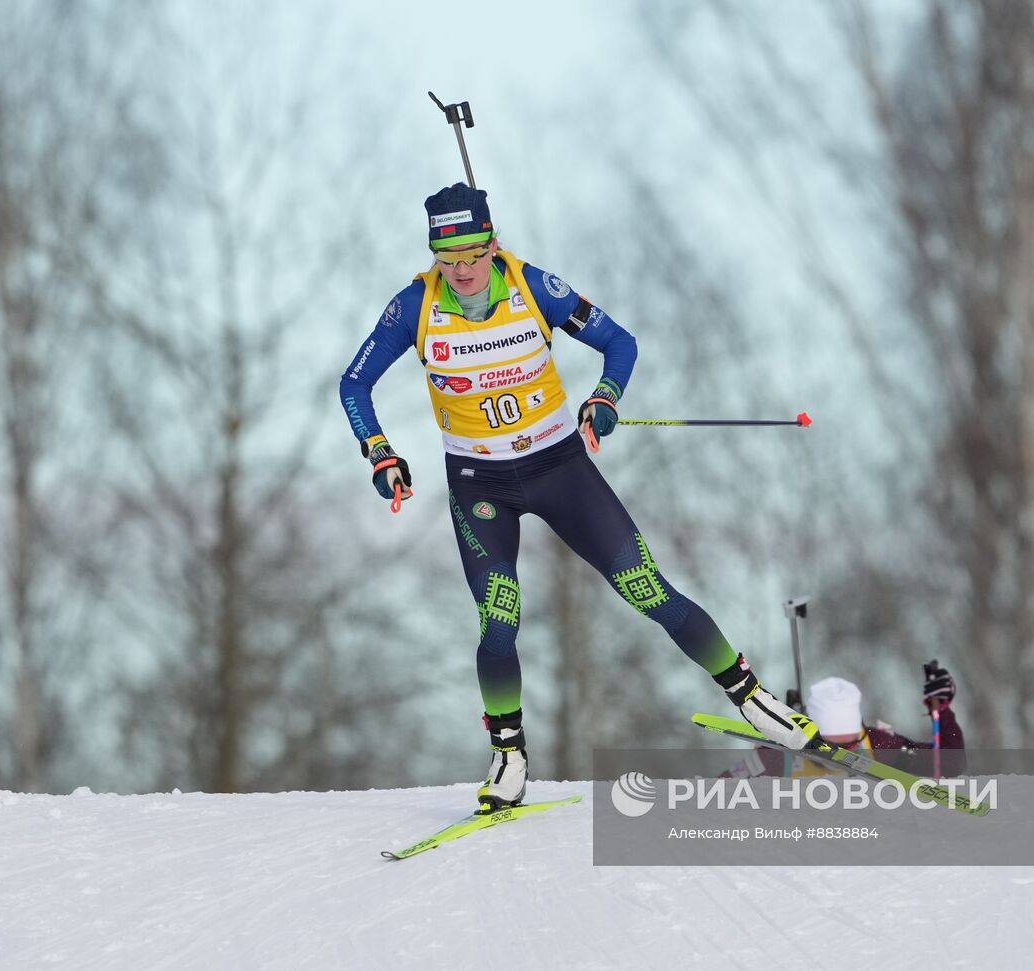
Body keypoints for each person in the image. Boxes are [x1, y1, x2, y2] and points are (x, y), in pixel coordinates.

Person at [339, 183, 821, 812]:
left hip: (558, 466)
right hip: (480, 482)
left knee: (648, 589)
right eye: (446, 259)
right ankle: (508, 755)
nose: (460, 272)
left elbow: (620, 343)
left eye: (472, 256)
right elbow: (355, 383)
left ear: (492, 244)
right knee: (498, 619)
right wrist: (381, 452)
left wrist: (605, 397)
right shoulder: (414, 308)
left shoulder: (534, 286)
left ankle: (753, 699)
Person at [724, 662, 965, 779]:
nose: (838, 755)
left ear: (859, 733)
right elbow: (719, 793)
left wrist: (942, 711)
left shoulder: (879, 747)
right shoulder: (777, 757)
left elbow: (948, 764)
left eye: (850, 745)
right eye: (828, 746)